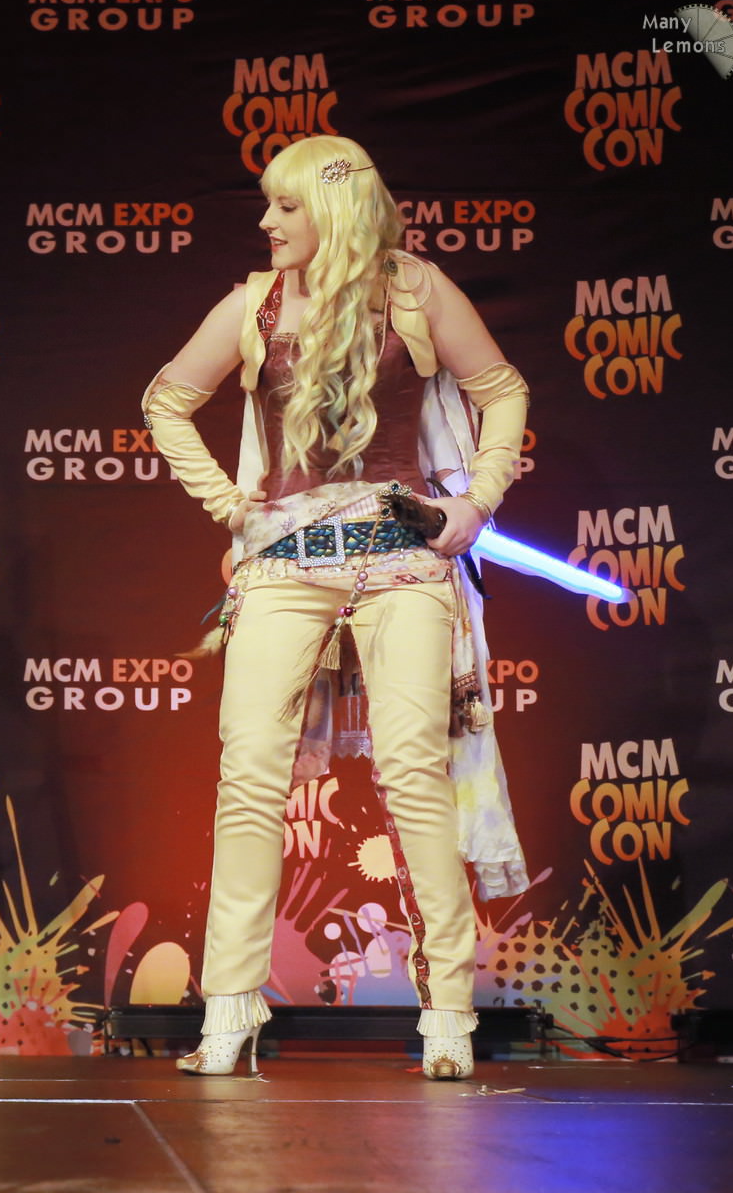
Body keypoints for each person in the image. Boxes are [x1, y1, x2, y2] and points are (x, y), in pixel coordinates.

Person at [141, 136, 530, 1080]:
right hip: (286, 562)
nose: (266, 222)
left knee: (414, 773)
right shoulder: (256, 304)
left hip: (401, 557)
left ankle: (449, 1012)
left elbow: (503, 390)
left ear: (335, 210)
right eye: (268, 205)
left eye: (285, 206)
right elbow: (165, 400)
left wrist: (475, 504)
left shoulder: (415, 291)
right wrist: (230, 505)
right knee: (250, 773)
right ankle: (230, 1007)